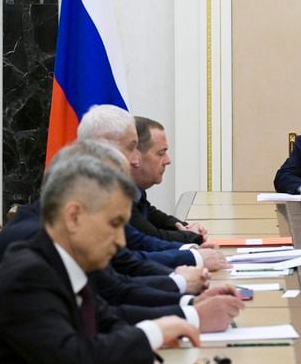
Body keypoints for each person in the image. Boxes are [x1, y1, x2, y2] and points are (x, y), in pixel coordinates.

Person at [0, 154, 200, 364]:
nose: (121, 241)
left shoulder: (67, 258)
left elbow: (106, 320)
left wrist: (139, 354)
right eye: (114, 224)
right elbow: (75, 363)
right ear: (74, 217)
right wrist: (151, 333)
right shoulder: (27, 275)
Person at [77, 105, 228, 271]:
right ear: (103, 148)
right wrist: (193, 254)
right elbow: (130, 258)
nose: (134, 160)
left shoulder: (110, 190)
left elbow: (138, 241)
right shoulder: (93, 196)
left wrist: (188, 242)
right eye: (130, 148)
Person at [131, 116, 207, 244]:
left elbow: (153, 216)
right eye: (161, 153)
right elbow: (151, 237)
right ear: (135, 155)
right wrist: (191, 236)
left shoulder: (136, 191)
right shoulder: (115, 194)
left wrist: (186, 227)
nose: (168, 161)